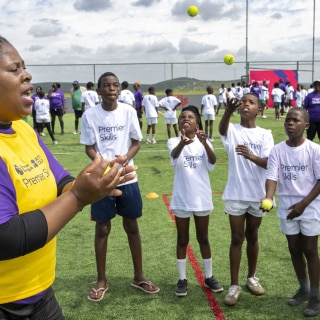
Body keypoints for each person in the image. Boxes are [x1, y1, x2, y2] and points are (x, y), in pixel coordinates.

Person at [0, 35, 136, 320]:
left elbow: (60, 179)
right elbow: (6, 238)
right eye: (14, 70)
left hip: (40, 295)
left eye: (24, 67)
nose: (27, 75)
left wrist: (96, 182)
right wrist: (78, 197)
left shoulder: (23, 130)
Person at [80, 72, 160, 302]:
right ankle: (101, 280)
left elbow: (136, 143)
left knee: (131, 225)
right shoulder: (90, 115)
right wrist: (103, 165)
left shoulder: (129, 111)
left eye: (115, 85)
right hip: (102, 180)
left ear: (118, 89)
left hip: (127, 178)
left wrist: (125, 158)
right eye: (107, 85)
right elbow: (89, 147)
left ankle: (139, 276)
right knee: (102, 229)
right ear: (99, 90)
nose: (112, 89)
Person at [263, 108, 320, 317]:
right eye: (288, 120)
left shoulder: (315, 150)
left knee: (310, 249)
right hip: (288, 207)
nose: (290, 123)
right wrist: (269, 197)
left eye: (295, 120)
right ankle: (303, 288)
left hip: (310, 206)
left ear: (305, 126)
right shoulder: (278, 150)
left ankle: (315, 296)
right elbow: (272, 176)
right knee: (294, 248)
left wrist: (303, 204)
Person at [219, 94, 274, 306]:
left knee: (253, 235)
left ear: (259, 110)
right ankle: (234, 285)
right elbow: (222, 130)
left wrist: (250, 156)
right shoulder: (232, 130)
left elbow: (269, 162)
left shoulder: (265, 134)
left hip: (258, 195)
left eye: (251, 102)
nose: (245, 104)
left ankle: (251, 277)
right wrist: (226, 111)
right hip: (236, 193)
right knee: (236, 237)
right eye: (243, 101)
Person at [168, 105, 223, 297]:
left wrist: (205, 142)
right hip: (182, 197)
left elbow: (213, 163)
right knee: (182, 239)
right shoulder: (173, 141)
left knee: (203, 238)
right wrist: (183, 143)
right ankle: (182, 279)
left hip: (201, 197)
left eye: (190, 117)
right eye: (182, 117)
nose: (185, 119)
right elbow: (174, 157)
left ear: (197, 123)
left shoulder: (204, 142)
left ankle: (209, 277)